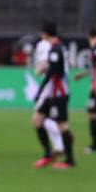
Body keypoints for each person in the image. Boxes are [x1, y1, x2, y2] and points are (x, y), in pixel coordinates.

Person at [30, 22, 75, 169]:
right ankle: (48, 154)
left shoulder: (55, 49)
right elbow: (68, 64)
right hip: (52, 92)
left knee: (62, 125)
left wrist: (39, 90)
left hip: (58, 93)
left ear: (44, 34)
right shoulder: (60, 47)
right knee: (37, 120)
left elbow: (52, 73)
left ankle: (69, 160)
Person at [32, 28, 66, 158]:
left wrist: (39, 70)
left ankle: (57, 144)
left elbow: (47, 67)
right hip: (61, 87)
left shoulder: (45, 45)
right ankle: (59, 146)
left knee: (38, 119)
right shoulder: (62, 47)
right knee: (46, 118)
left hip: (53, 87)